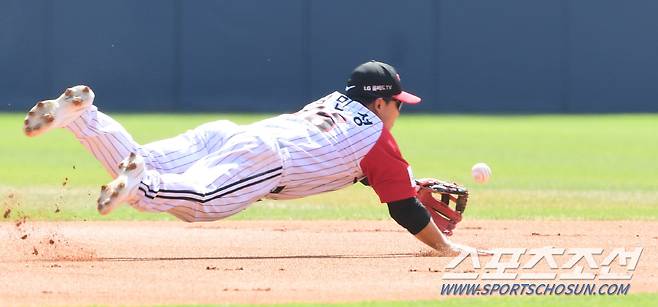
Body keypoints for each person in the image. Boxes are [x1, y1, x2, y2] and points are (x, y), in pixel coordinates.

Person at [23, 60, 477, 256]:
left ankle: (83, 118)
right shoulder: (378, 138)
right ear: (379, 104)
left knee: (140, 159)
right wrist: (445, 246)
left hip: (232, 134)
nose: (400, 110)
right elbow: (402, 207)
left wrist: (405, 180)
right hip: (265, 161)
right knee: (192, 204)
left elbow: (352, 162)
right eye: (398, 102)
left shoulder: (334, 101)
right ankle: (141, 186)